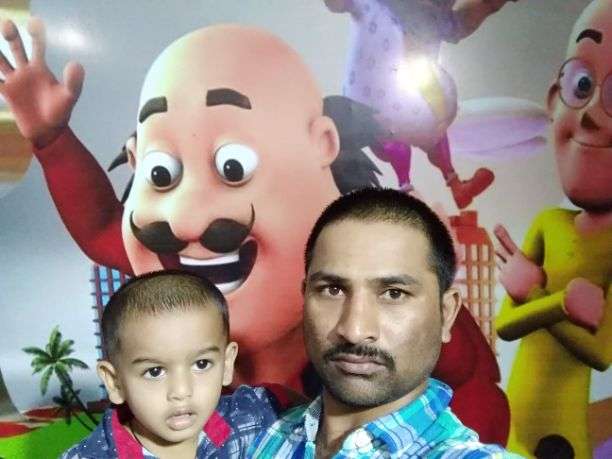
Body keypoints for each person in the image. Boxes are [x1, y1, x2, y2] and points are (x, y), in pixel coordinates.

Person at [0, 18, 509, 442]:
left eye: (233, 168)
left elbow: (473, 381)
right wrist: (53, 141)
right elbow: (102, 230)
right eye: (161, 173)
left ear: (322, 146)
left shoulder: (365, 269)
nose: (186, 219)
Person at [250, 188, 519, 458]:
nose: (354, 331)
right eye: (333, 290)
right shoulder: (252, 436)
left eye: (394, 294)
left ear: (446, 313)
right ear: (305, 296)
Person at [493, 0, 612, 457]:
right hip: (512, 426)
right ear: (553, 99)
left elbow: (601, 353)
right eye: (581, 84)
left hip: (563, 435)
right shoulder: (548, 223)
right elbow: (505, 325)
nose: (591, 113)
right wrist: (558, 301)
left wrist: (537, 296)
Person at [61, 270, 280, 459]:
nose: (181, 391)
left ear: (226, 364)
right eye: (154, 372)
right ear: (114, 382)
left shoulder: (253, 414)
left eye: (202, 364)